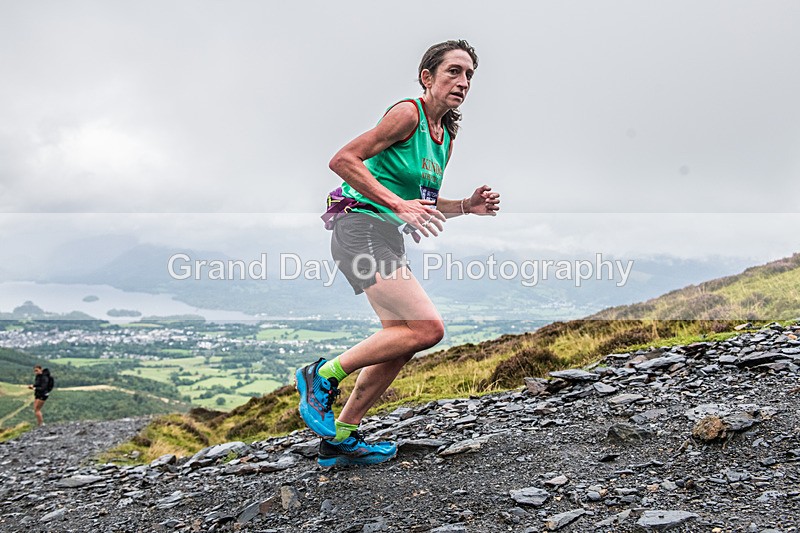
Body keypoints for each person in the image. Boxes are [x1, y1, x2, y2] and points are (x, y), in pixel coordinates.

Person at [296, 39, 500, 467]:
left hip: (384, 234)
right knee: (428, 328)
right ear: (427, 78)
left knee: (401, 340)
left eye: (469, 76)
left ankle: (342, 438)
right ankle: (322, 375)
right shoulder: (407, 114)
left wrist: (465, 206)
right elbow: (343, 159)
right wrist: (397, 205)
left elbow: (421, 200)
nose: (462, 82)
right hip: (358, 224)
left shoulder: (445, 137)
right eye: (453, 72)